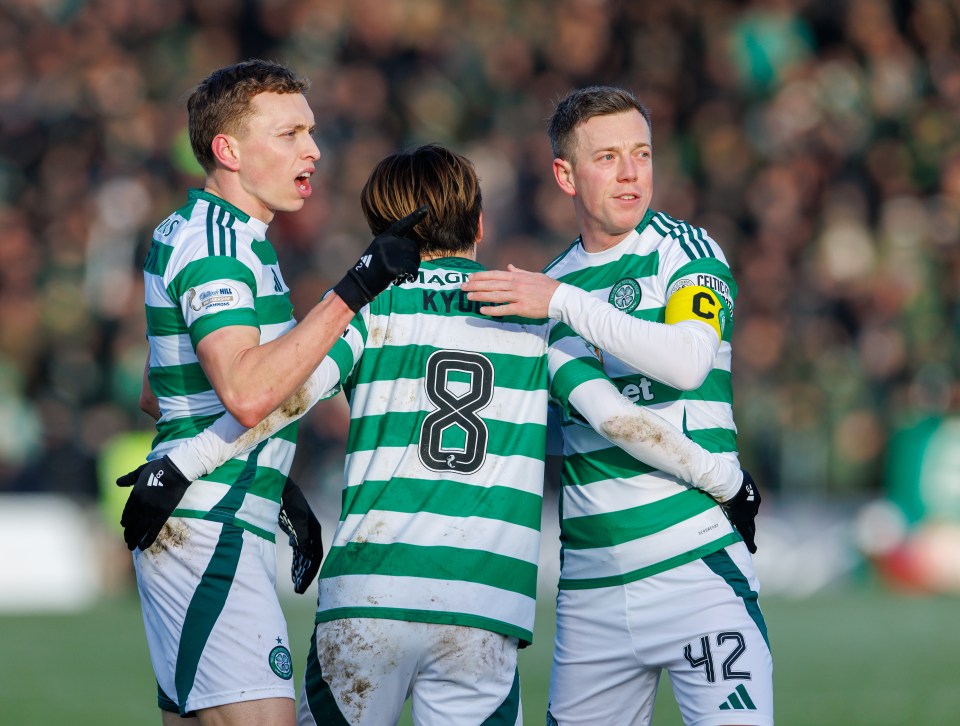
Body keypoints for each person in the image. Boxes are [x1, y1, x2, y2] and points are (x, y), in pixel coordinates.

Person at [127, 142, 757, 725]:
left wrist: (184, 463)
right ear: (480, 226)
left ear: (383, 233)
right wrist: (725, 479)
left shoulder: (366, 310)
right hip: (483, 603)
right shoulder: (530, 320)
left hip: (369, 593)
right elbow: (621, 420)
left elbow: (280, 400)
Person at [117, 59, 424, 726]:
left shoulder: (225, 237)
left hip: (219, 510)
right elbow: (248, 393)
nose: (312, 149)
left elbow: (159, 391)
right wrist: (357, 286)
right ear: (228, 150)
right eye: (288, 134)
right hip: (210, 526)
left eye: (310, 132)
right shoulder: (219, 243)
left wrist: (274, 477)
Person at [462, 85, 772, 725]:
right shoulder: (552, 284)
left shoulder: (683, 252)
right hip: (591, 590)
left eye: (642, 153)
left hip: (696, 567)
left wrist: (562, 304)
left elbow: (688, 361)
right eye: (608, 157)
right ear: (565, 175)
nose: (631, 173)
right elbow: (553, 428)